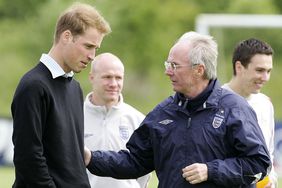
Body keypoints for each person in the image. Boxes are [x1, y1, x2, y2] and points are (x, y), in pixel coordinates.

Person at [84, 31, 271, 188]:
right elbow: (134, 161)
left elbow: (258, 163)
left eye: (174, 66)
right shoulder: (163, 113)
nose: (167, 71)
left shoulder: (234, 108)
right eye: (168, 65)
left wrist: (211, 170)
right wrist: (91, 158)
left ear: (199, 70)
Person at [11, 3, 111, 188]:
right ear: (67, 36)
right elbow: (28, 158)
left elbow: (71, 157)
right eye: (88, 46)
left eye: (96, 48)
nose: (92, 56)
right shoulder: (33, 86)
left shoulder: (75, 87)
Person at [84, 52, 151, 188]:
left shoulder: (138, 119)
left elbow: (144, 170)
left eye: (118, 78)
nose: (113, 84)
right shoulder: (75, 117)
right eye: (107, 77)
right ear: (92, 77)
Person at [222, 38, 278, 188]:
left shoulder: (265, 104)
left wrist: (271, 179)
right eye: (259, 70)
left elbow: (269, 153)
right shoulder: (215, 102)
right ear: (239, 67)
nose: (265, 78)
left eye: (268, 71)